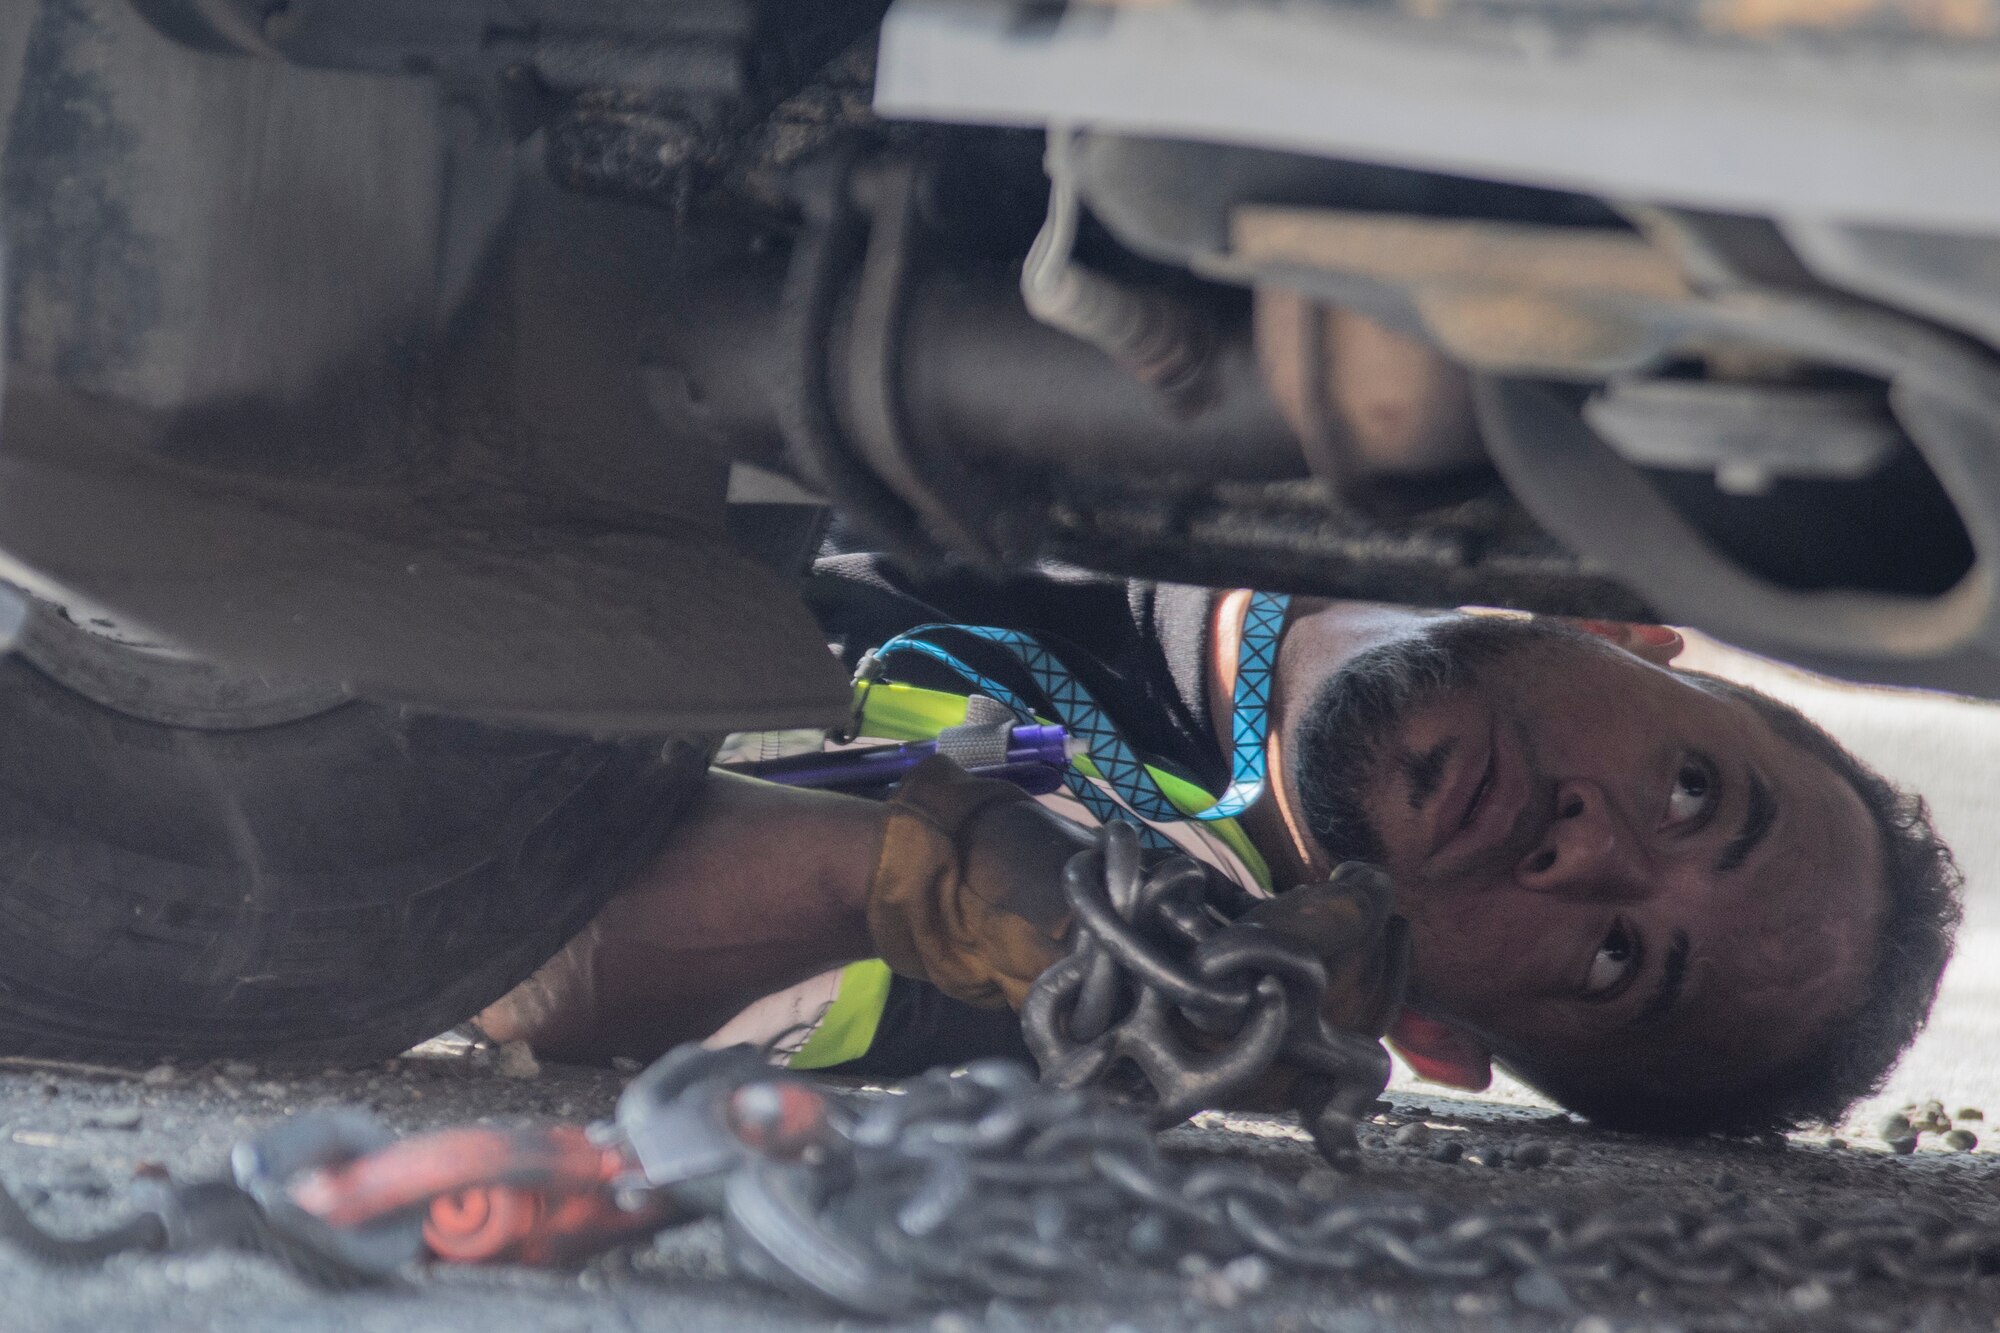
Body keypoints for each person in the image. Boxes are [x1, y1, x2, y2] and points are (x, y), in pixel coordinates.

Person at [477, 566, 1962, 1134]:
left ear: (1432, 1035)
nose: (1592, 849)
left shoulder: (1057, 988)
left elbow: (497, 928)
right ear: (1632, 634)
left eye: (1616, 956)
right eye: (1696, 791)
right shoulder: (1365, 383)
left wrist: (930, 877)